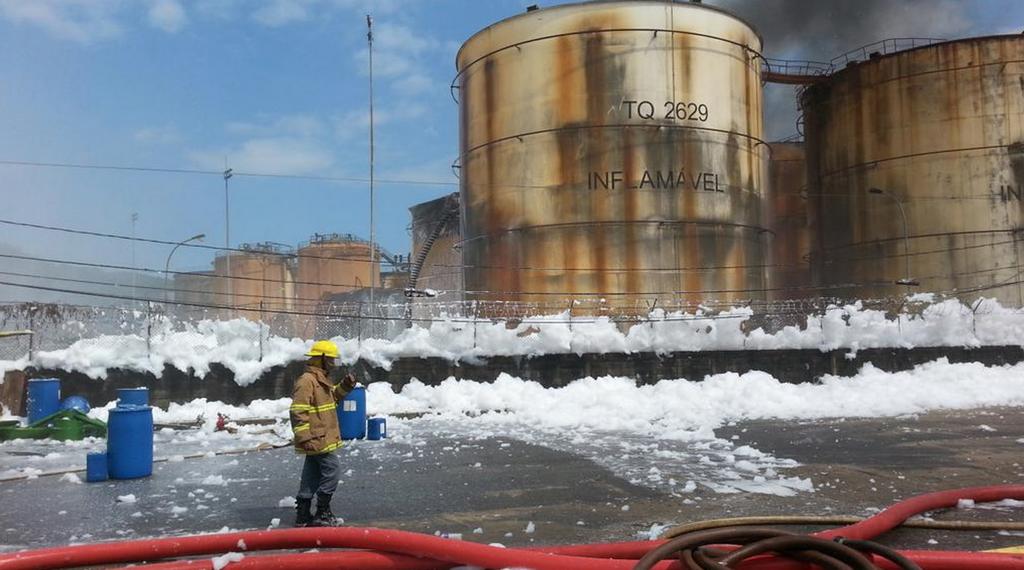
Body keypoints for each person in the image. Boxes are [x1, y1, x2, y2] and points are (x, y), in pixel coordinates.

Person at [289, 339, 357, 527]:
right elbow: (298, 411)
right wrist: (304, 437)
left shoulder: (320, 379)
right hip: (316, 438)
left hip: (321, 437)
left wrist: (346, 385)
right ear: (321, 359)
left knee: (311, 474)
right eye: (331, 360)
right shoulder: (307, 381)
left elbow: (332, 398)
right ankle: (322, 512)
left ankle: (303, 514)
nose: (333, 364)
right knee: (332, 470)